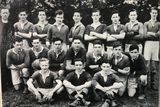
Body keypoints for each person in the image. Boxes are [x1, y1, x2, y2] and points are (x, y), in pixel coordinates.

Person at [143, 7, 160, 90]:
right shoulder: (146, 23)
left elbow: (159, 35)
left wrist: (151, 33)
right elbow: (145, 35)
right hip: (148, 44)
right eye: (153, 13)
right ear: (150, 13)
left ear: (157, 14)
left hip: (156, 44)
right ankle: (145, 83)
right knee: (146, 63)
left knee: (154, 64)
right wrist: (154, 34)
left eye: (155, 13)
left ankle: (153, 84)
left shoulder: (159, 23)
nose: (154, 14)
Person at [0, 8, 13, 90]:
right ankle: (3, 85)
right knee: (1, 65)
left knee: (8, 64)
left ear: (8, 14)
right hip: (0, 46)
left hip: (9, 46)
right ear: (1, 14)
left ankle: (10, 82)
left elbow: (12, 35)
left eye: (6, 13)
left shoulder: (11, 24)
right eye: (3, 13)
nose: (5, 14)